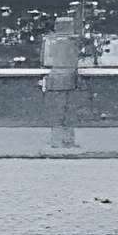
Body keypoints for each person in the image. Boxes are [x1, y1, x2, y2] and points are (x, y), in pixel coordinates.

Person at [40, 10, 84, 149]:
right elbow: (77, 60)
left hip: (55, 78)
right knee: (69, 111)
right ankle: (68, 141)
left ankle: (56, 141)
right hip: (70, 78)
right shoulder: (73, 41)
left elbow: (44, 60)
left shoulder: (50, 41)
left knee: (57, 111)